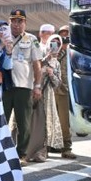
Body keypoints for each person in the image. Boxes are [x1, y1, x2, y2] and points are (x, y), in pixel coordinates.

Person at [1, 9, 43, 164]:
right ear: (9, 21)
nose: (16, 24)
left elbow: (37, 65)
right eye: (14, 21)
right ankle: (1, 152)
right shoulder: (3, 38)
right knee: (1, 120)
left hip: (24, 86)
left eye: (20, 21)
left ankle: (21, 154)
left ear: (25, 23)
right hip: (5, 86)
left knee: (23, 123)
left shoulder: (31, 39)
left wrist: (37, 86)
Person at [26, 34, 64, 163]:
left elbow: (58, 84)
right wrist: (45, 59)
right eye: (52, 42)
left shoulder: (57, 63)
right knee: (31, 122)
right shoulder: (39, 55)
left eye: (57, 44)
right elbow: (31, 69)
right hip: (33, 92)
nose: (54, 46)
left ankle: (41, 152)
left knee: (45, 124)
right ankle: (26, 150)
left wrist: (52, 74)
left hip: (47, 96)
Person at [54, 25, 77, 158]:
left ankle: (66, 148)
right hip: (51, 90)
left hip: (65, 91)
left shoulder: (72, 53)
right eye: (62, 35)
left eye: (67, 34)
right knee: (48, 120)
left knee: (64, 121)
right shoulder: (54, 52)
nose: (65, 37)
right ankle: (46, 147)